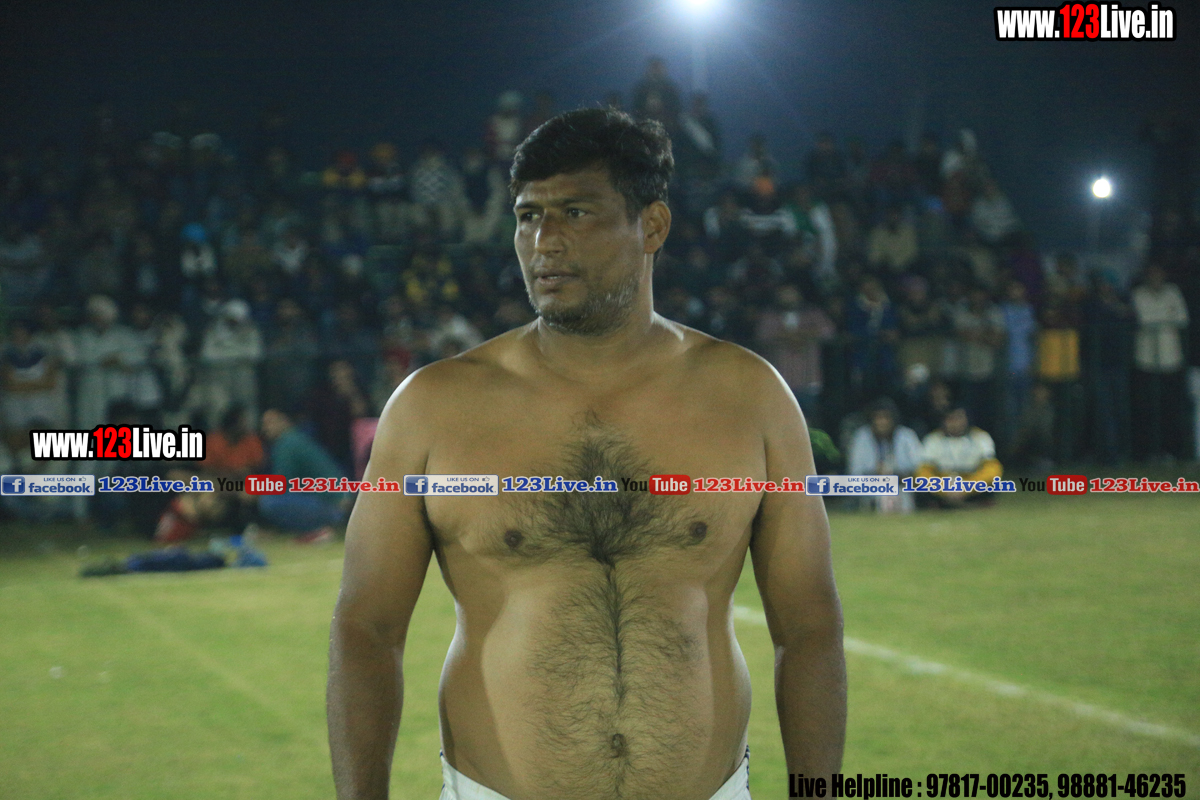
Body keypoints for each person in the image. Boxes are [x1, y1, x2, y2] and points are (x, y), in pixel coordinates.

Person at [327, 108, 845, 800]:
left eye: (575, 212)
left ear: (652, 226)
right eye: (528, 216)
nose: (544, 241)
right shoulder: (434, 406)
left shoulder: (749, 396)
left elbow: (808, 627)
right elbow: (367, 627)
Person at [258, 408, 346, 542]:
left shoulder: (287, 443)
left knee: (269, 501)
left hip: (331, 506)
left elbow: (281, 484)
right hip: (334, 502)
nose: (265, 428)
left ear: (284, 421)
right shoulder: (296, 438)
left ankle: (316, 530)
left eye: (270, 422)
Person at [915, 407, 1003, 507]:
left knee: (993, 484)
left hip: (972, 483)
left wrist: (967, 487)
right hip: (942, 484)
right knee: (920, 487)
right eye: (951, 419)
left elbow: (991, 468)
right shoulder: (933, 439)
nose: (955, 423)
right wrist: (943, 489)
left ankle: (960, 504)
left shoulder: (980, 437)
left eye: (959, 418)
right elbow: (924, 471)